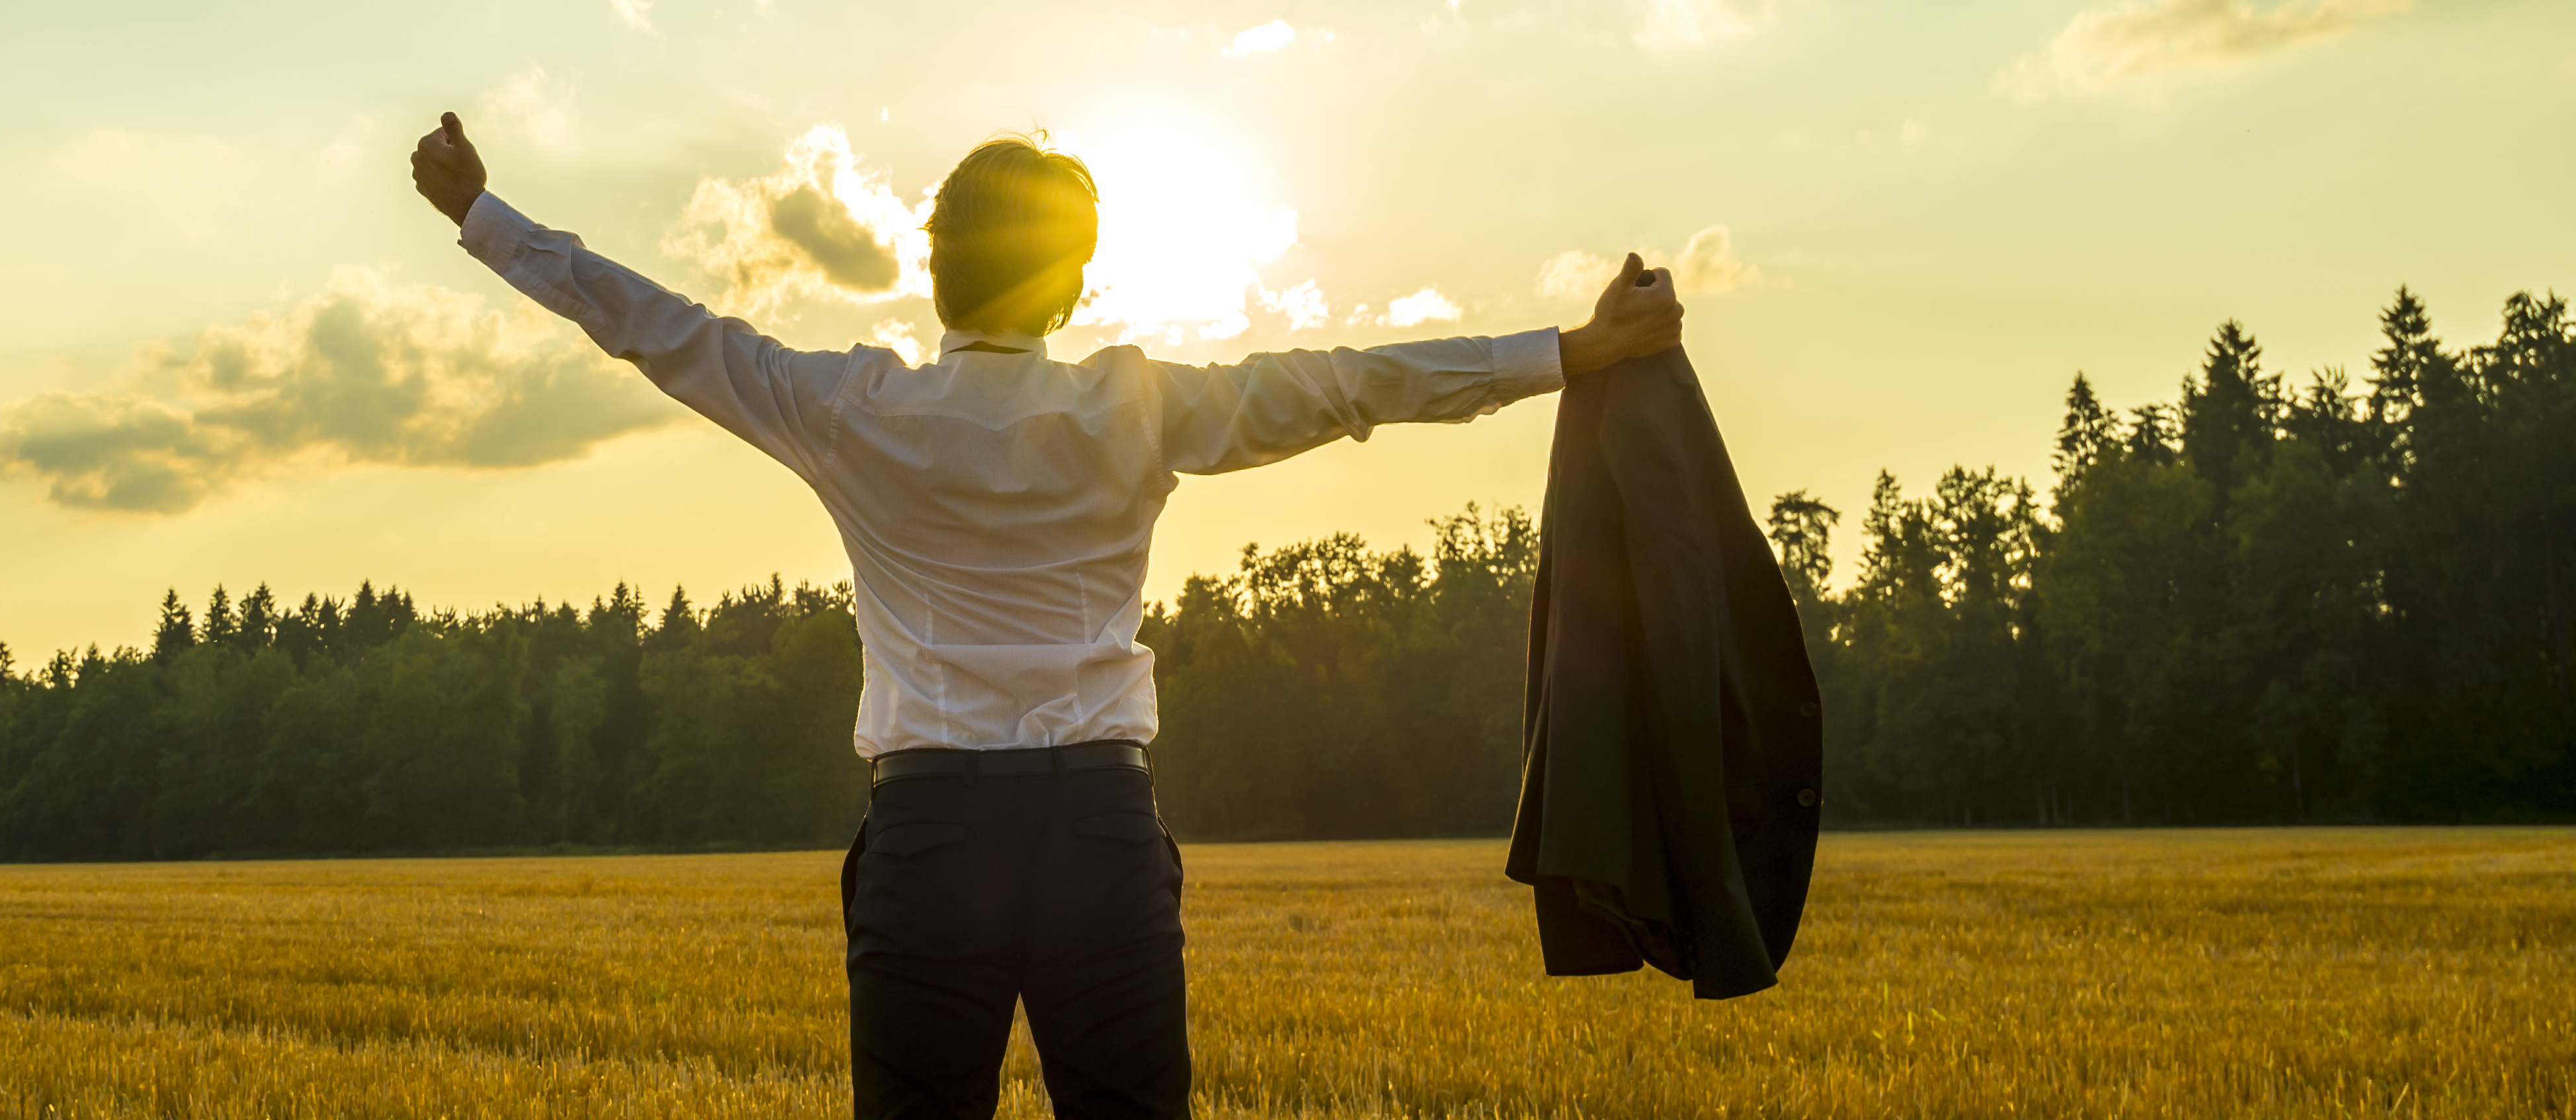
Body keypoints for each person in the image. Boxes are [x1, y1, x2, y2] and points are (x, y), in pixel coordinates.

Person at [408, 111, 1684, 1120]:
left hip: (929, 843)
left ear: (930, 270)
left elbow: (653, 327)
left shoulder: (846, 407)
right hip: (1095, 835)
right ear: (1069, 288)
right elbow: (1348, 383)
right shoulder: (1129, 405)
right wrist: (1568, 351)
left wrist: (482, 215)